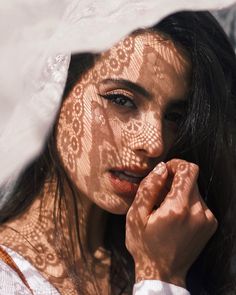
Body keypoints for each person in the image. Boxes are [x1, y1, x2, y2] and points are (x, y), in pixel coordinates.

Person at [0, 9, 236, 295]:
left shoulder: (179, 246)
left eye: (174, 117)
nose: (155, 144)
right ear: (56, 90)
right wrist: (161, 276)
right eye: (121, 100)